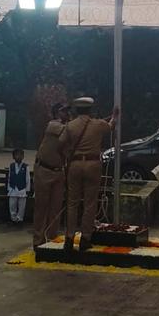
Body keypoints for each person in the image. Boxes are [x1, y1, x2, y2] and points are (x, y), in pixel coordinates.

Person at [59, 97, 115, 254]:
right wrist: (115, 115)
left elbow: (60, 143)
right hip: (92, 164)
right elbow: (111, 126)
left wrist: (68, 155)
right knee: (90, 203)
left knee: (72, 203)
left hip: (75, 164)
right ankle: (85, 238)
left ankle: (69, 238)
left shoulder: (70, 126)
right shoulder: (98, 124)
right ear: (90, 110)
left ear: (77, 110)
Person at [32, 103, 70, 251]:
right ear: (56, 113)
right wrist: (86, 124)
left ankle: (52, 240)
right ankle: (38, 240)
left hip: (58, 171)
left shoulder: (68, 129)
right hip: (44, 169)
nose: (66, 113)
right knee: (41, 207)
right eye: (63, 111)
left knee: (56, 208)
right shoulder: (53, 125)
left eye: (67, 111)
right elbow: (70, 130)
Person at [7, 149, 30, 225]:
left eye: (20, 155)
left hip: (22, 189)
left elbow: (27, 179)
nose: (18, 157)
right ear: (13, 157)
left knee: (21, 206)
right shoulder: (11, 166)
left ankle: (20, 219)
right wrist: (9, 188)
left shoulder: (25, 167)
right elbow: (9, 177)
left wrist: (27, 190)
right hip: (13, 188)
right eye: (16, 155)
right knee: (12, 205)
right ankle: (13, 219)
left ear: (23, 156)